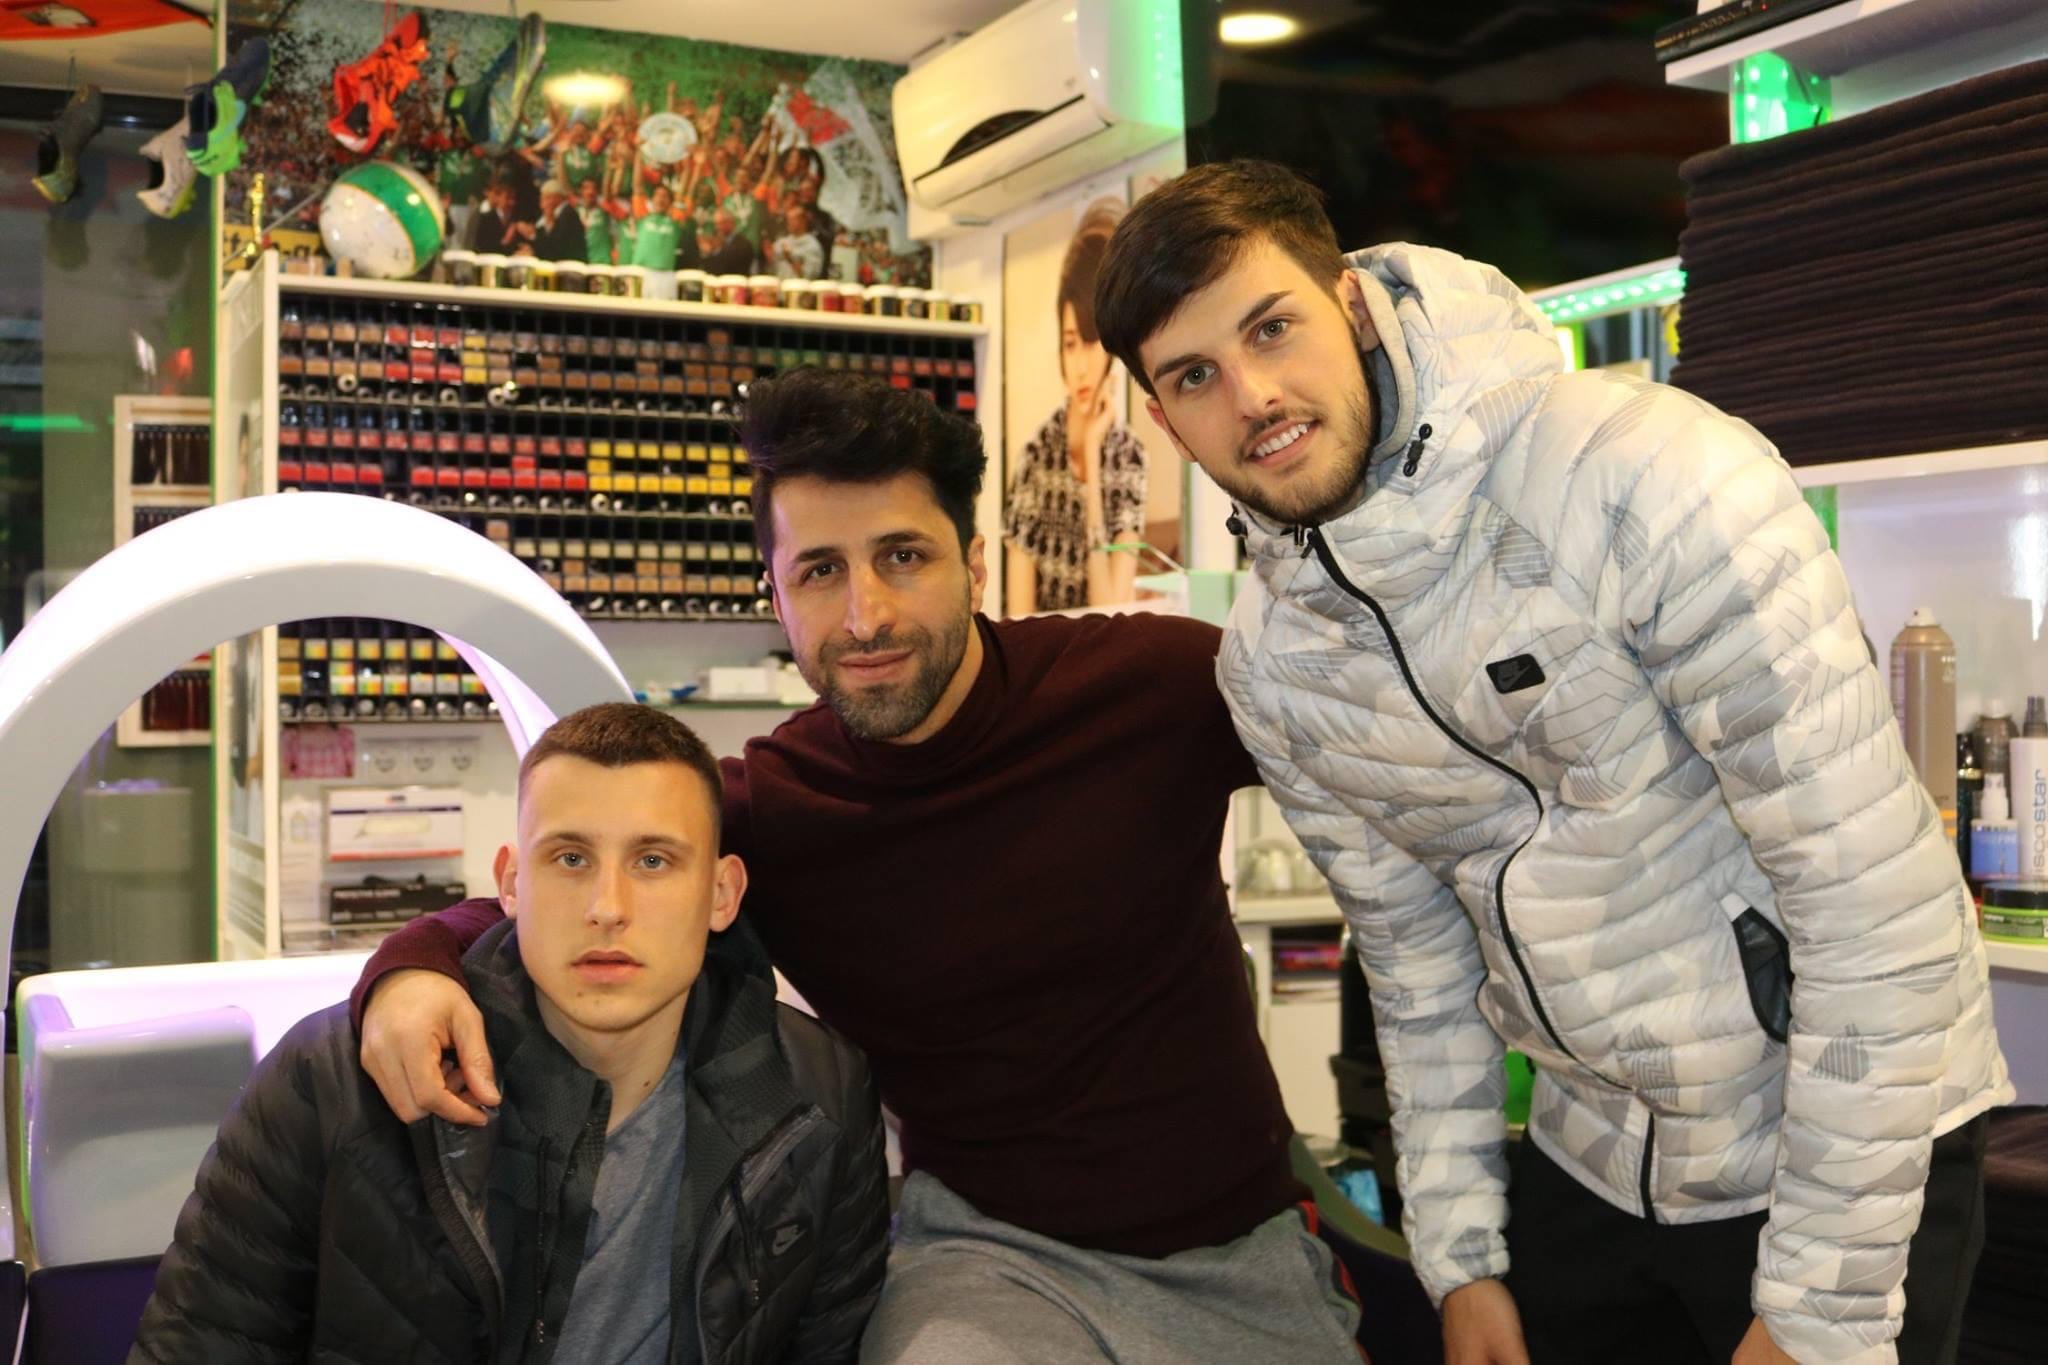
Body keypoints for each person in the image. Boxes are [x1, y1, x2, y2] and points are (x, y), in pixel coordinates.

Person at [1090, 159, 2013, 1365]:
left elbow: (1871, 907)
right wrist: (1460, 1260)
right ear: (1163, 420)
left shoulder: (1647, 477)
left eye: (1271, 328)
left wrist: (1815, 1313)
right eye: (1193, 375)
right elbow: (1415, 965)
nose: (1252, 396)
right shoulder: (1274, 666)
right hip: (1592, 1153)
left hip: (1835, 1136)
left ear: (1349, 302)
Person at [350, 370, 1366, 1364]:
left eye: (901, 557)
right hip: (988, 1261)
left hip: (1242, 1251)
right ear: (777, 596)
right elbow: (574, 877)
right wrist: (411, 969)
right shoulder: (775, 807)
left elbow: (1396, 746)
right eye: (820, 571)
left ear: (973, 565)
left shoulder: (1147, 687)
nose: (864, 615)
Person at [132, 703, 890, 1364]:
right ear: (511, 883)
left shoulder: (821, 1096)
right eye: (570, 858)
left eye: (654, 860)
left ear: (721, 893)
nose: (607, 907)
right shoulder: (327, 1081)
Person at [1005, 197, 1148, 614]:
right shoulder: (1035, 458)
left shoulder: (1128, 456)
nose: (1081, 366)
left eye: (1091, 343)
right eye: (1070, 344)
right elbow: (1019, 617)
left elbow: (1112, 610)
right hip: (1044, 652)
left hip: (1105, 650)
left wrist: (1092, 468)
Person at [526, 177, 585, 262]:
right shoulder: (554, 214)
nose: (542, 204)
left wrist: (534, 237)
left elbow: (556, 246)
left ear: (555, 198)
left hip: (568, 264)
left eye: (545, 198)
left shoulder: (568, 214)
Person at [629, 182, 683, 273]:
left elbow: (684, 192)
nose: (660, 199)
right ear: (652, 199)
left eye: (665, 196)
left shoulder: (675, 222)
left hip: (664, 273)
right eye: (657, 195)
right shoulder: (642, 216)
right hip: (640, 271)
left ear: (671, 202)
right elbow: (637, 187)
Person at [769, 203, 824, 280]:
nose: (789, 223)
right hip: (779, 285)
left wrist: (790, 259)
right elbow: (770, 268)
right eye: (788, 219)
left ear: (803, 221)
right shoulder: (780, 242)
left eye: (792, 220)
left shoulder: (812, 246)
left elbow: (809, 276)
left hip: (799, 287)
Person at [575, 176, 615, 266]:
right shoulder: (574, 212)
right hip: (579, 263)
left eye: (594, 188)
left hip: (601, 262)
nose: (590, 192)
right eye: (586, 188)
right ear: (580, 191)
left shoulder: (605, 212)